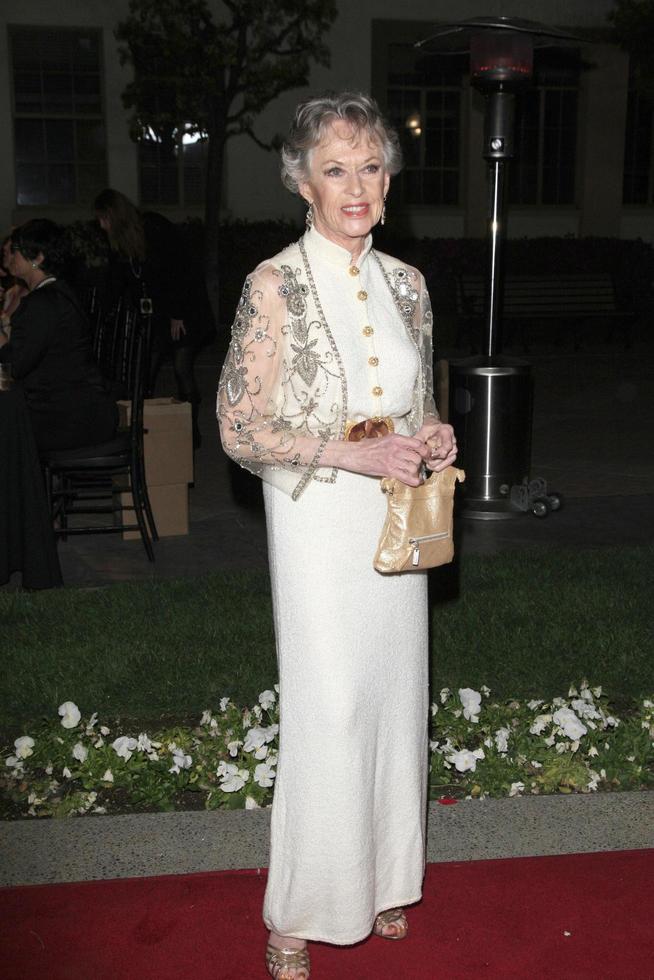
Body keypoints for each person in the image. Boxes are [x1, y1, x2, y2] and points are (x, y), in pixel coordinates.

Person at [217, 92, 457, 979]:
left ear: (386, 181)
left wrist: (432, 439)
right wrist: (347, 456)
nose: (354, 185)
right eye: (334, 169)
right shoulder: (272, 284)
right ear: (303, 185)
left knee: (395, 700)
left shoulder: (409, 285)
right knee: (329, 710)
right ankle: (297, 912)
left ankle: (386, 878)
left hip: (394, 520)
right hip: (318, 517)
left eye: (368, 167)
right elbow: (240, 430)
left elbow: (418, 408)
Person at [94, 188, 215, 447]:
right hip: (157, 312)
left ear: (115, 215)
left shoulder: (154, 228)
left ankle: (190, 427)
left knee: (182, 368)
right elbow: (118, 281)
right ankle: (144, 424)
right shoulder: (120, 244)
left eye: (104, 219)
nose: (102, 226)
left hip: (185, 309)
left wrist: (177, 314)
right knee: (145, 367)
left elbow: (179, 270)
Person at [0, 220, 118, 453]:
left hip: (70, 419)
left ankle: (22, 488)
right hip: (81, 411)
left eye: (18, 251)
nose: (11, 256)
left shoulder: (43, 303)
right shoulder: (57, 293)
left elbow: (13, 367)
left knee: (8, 424)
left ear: (38, 257)